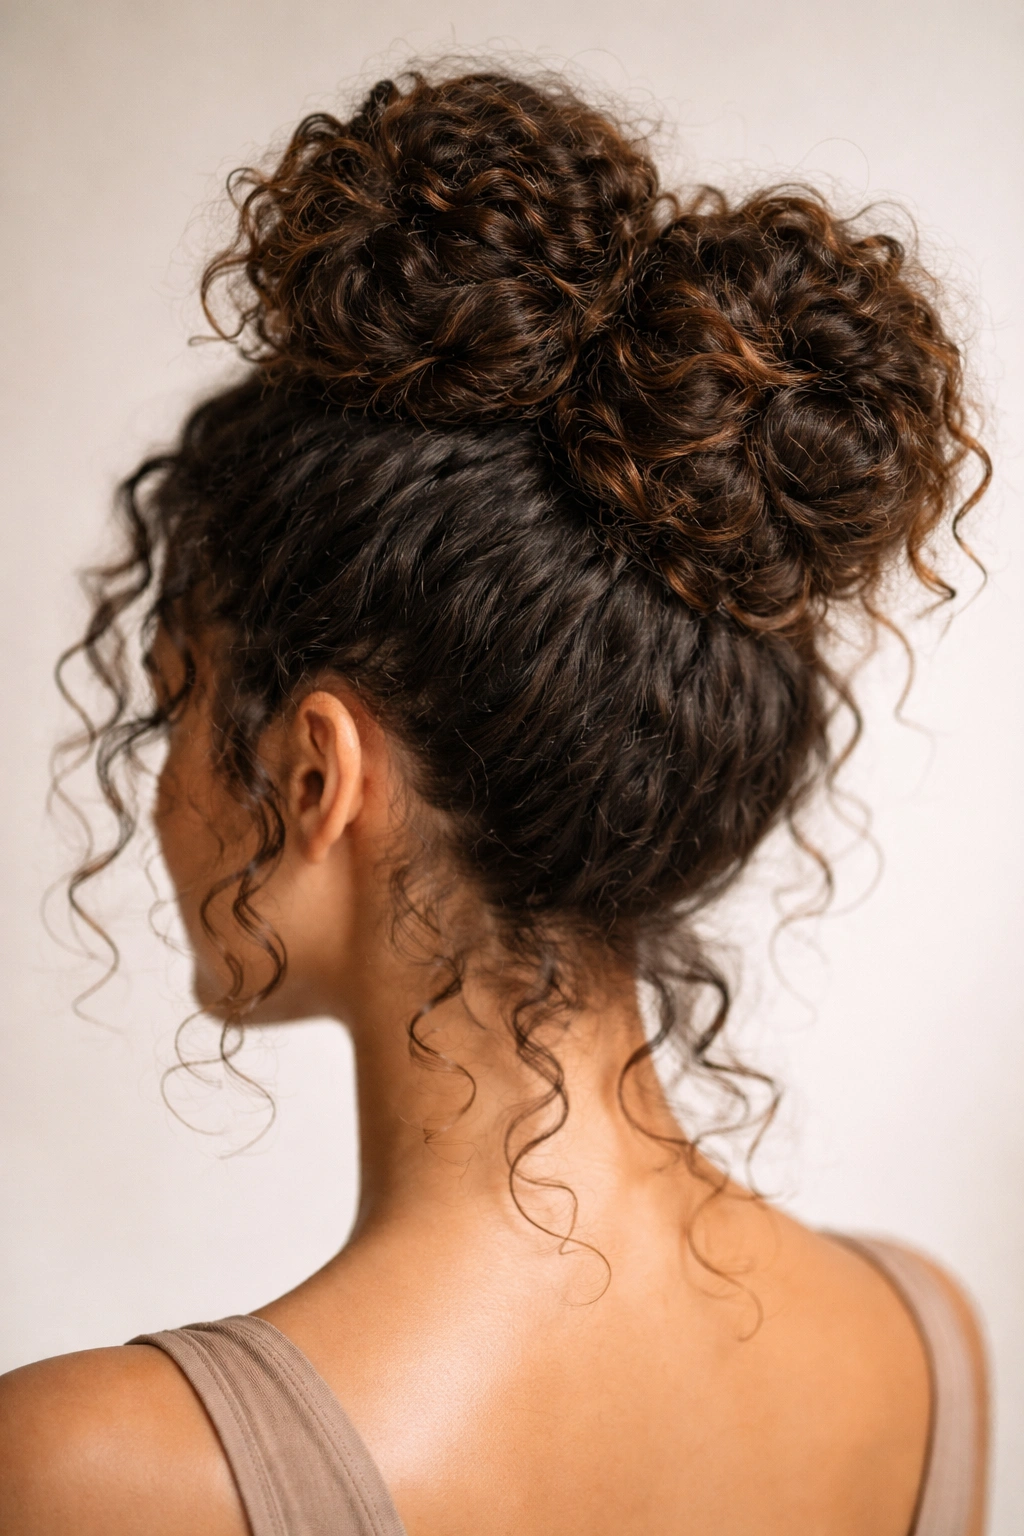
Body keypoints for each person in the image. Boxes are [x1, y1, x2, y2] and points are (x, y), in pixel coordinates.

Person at [0, 67, 992, 1536]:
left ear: (316, 774)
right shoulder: (928, 1351)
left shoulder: (94, 1474)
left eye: (176, 703)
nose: (157, 791)